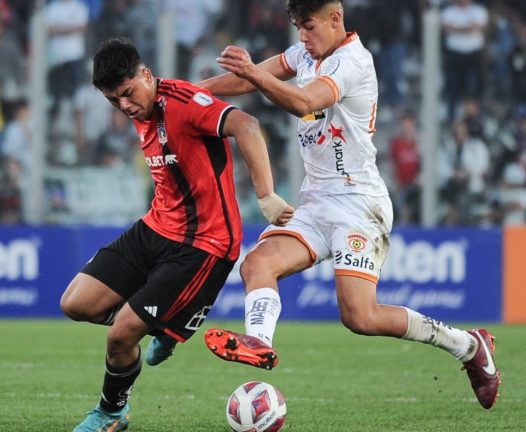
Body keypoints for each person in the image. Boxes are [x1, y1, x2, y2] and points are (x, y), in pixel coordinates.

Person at [198, 0, 501, 410]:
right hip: (316, 201)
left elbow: (303, 102)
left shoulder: (352, 62)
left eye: (308, 27)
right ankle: (259, 343)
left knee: (360, 317)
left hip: (359, 205)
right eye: (297, 28)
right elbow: (250, 82)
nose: (302, 37)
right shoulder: (305, 52)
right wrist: (188, 92)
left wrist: (252, 71)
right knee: (257, 265)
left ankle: (468, 345)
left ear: (335, 19)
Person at [60, 38, 293, 432]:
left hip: (203, 244)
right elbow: (211, 88)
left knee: (120, 337)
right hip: (156, 227)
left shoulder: (184, 104)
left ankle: (111, 413)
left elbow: (246, 125)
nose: (125, 106)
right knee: (76, 303)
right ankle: (172, 322)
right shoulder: (143, 105)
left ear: (146, 75)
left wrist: (266, 195)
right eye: (114, 100)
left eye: (129, 93)